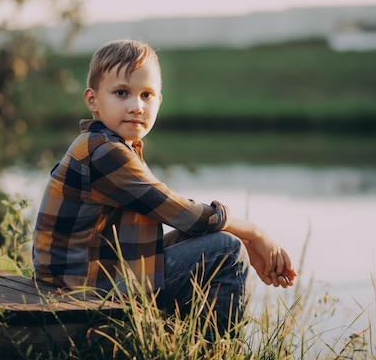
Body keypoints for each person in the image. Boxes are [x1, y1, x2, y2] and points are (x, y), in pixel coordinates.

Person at [32, 39, 297, 335]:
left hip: (90, 278)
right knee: (226, 250)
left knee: (217, 239)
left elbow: (180, 220)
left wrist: (234, 232)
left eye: (147, 95)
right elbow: (181, 211)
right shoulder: (103, 152)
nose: (136, 106)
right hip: (83, 289)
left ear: (159, 100)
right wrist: (254, 234)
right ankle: (213, 350)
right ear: (92, 100)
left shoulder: (113, 145)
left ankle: (184, 342)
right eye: (122, 93)